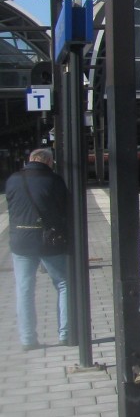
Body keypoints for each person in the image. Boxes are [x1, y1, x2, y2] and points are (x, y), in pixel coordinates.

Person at [5, 147, 71, 350]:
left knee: (24, 289)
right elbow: (65, 209)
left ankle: (27, 340)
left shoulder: (13, 180)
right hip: (48, 241)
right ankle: (65, 334)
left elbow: (12, 207)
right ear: (49, 162)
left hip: (21, 242)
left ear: (30, 160)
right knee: (63, 284)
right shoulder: (54, 180)